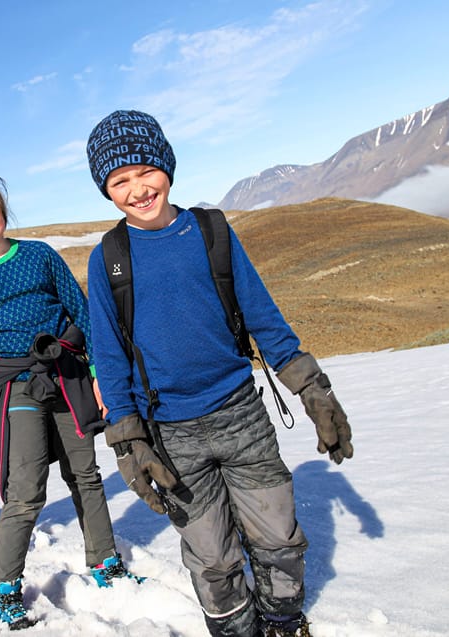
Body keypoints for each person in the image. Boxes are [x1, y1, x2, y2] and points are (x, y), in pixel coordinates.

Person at [83, 110, 355, 637]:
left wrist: (313, 389)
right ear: (107, 190)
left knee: (278, 534)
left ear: (166, 165)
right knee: (211, 556)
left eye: (145, 171)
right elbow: (111, 359)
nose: (138, 188)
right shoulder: (108, 260)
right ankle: (234, 630)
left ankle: (282, 620)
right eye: (119, 181)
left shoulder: (210, 231)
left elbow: (263, 316)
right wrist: (127, 442)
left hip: (241, 415)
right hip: (169, 436)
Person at [0, 172, 142, 630]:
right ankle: (5, 586)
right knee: (26, 490)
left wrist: (97, 372)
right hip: (14, 387)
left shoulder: (38, 255)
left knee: (86, 475)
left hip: (68, 375)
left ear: (3, 210)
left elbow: (81, 310)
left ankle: (106, 562)